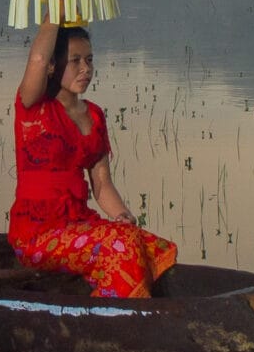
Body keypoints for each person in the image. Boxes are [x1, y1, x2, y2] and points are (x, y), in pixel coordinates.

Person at [11, 23, 178, 297]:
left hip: (78, 223)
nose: (85, 69)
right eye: (75, 61)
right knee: (120, 245)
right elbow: (38, 58)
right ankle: (115, 316)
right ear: (53, 66)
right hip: (36, 234)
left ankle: (107, 302)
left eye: (89, 60)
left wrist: (122, 216)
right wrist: (56, 10)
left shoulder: (95, 115)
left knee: (149, 246)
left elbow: (101, 184)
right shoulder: (34, 107)